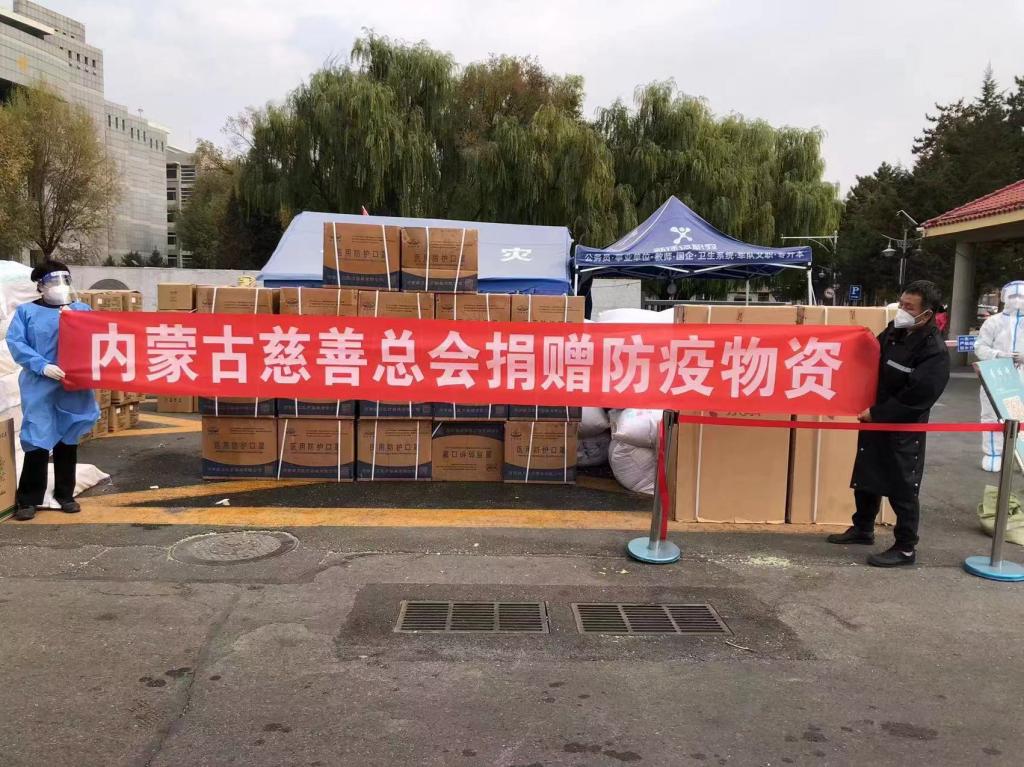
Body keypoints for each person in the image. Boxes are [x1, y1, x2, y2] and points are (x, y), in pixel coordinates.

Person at [827, 280, 951, 567]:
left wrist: (879, 413)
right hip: (875, 415)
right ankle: (863, 528)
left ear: (927, 314)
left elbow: (918, 397)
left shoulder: (933, 351)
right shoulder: (896, 330)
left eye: (910, 307)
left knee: (902, 486)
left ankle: (906, 547)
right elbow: (870, 355)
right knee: (867, 475)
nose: (902, 310)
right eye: (901, 303)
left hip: (903, 426)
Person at [6, 261, 99, 521]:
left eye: (65, 281)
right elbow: (17, 343)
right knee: (37, 440)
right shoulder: (26, 312)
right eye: (54, 282)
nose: (61, 287)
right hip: (40, 385)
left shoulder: (81, 310)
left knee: (67, 440)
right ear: (40, 286)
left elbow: (98, 339)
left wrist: (76, 322)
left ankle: (65, 495)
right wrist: (42, 365)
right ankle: (28, 499)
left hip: (73, 386)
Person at [974, 281, 1024, 471]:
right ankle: (993, 453)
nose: (1017, 300)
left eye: (1021, 296)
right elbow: (980, 347)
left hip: (1022, 376)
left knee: (1020, 416)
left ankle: (1020, 455)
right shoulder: (993, 322)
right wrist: (998, 355)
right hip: (996, 375)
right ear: (1004, 298)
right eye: (1013, 296)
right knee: (992, 416)